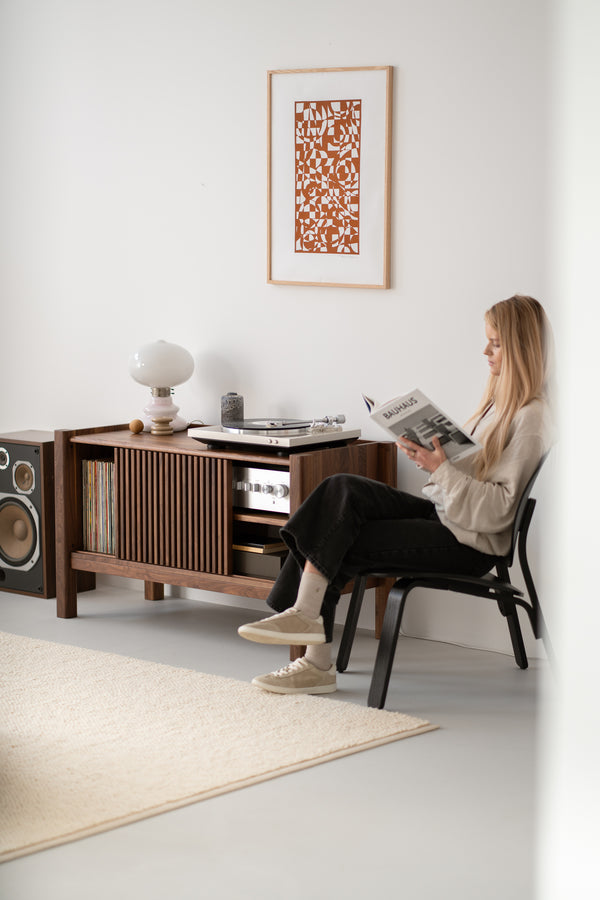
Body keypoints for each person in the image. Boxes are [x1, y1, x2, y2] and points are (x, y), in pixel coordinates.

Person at [238, 295, 554, 695]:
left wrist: (440, 469)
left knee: (337, 537)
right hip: (449, 518)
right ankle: (304, 615)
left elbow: (499, 511)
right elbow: (467, 477)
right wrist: (431, 460)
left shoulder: (531, 417)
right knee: (341, 488)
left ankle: (314, 654)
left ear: (522, 348)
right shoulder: (497, 406)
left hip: (470, 543)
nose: (485, 351)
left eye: (496, 343)